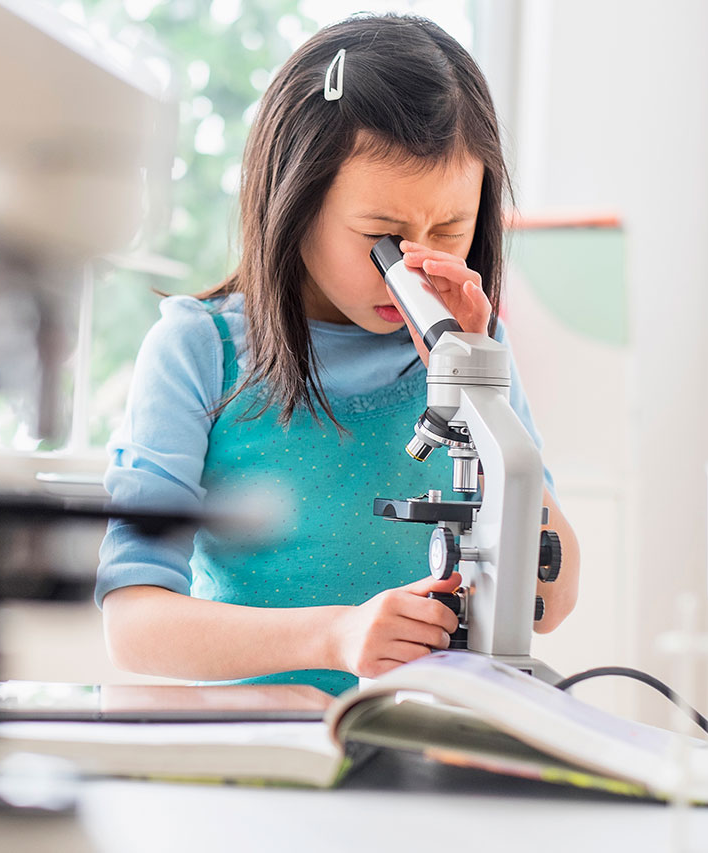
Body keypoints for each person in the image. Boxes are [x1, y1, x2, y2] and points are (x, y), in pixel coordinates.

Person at [97, 13, 579, 696]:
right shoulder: (197, 352)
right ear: (296, 205)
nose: (416, 269)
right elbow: (133, 624)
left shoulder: (474, 351)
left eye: (450, 231)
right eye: (382, 237)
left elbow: (551, 598)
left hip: (420, 749)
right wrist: (336, 635)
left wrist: (476, 382)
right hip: (257, 756)